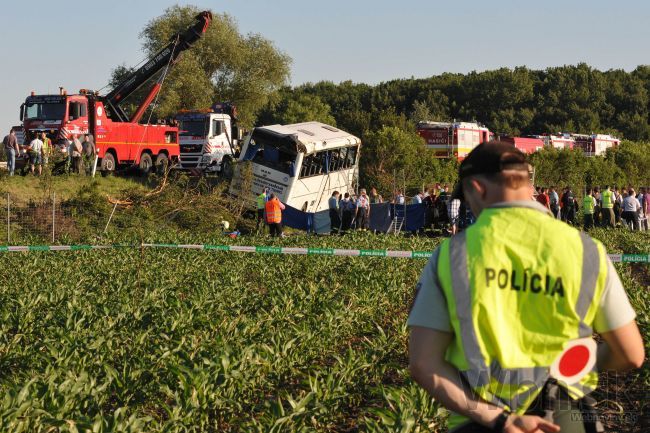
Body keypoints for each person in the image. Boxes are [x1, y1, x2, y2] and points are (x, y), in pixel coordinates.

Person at [408, 141, 644, 433]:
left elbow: (422, 363)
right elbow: (631, 354)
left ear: (478, 189)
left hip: (481, 423)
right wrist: (584, 360)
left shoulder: (451, 255)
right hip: (564, 418)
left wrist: (497, 418)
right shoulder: (587, 250)